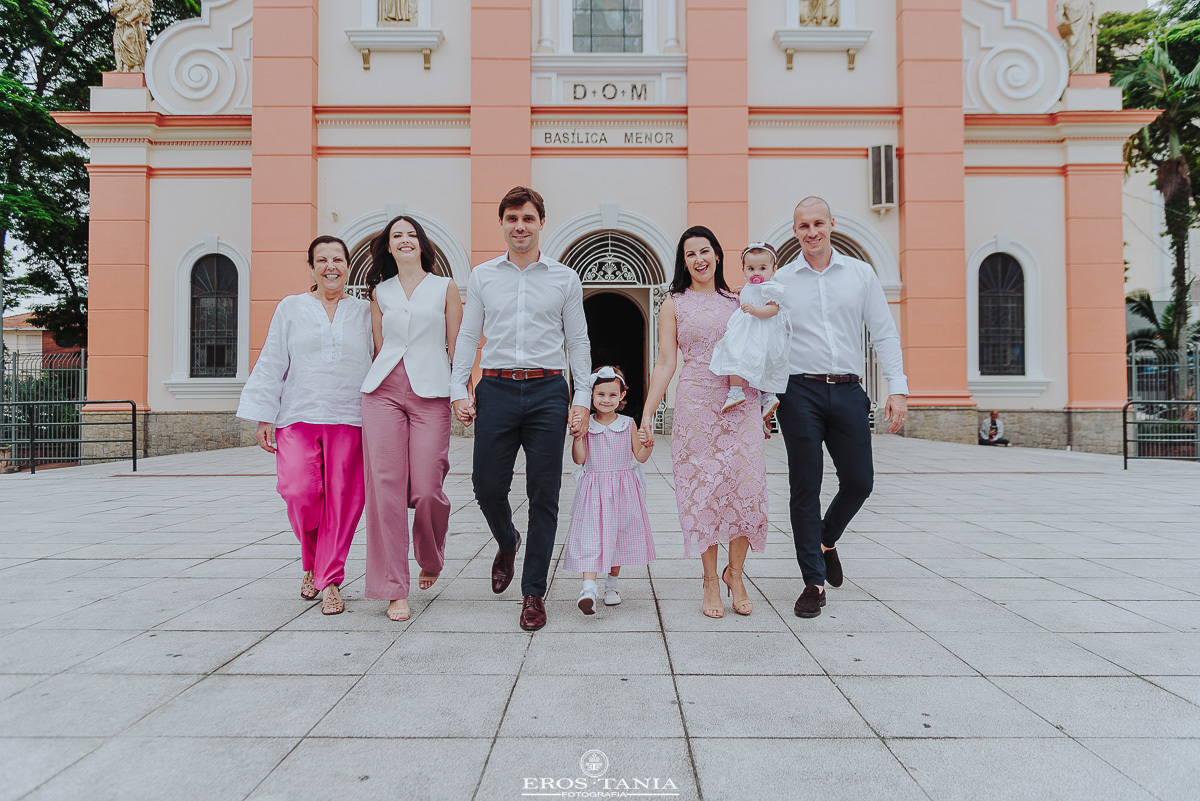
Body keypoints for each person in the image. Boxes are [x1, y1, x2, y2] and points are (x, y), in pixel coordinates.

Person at [450, 186, 591, 632]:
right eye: (512, 219)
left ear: (540, 222)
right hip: (496, 388)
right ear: (502, 224)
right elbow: (469, 337)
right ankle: (507, 539)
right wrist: (459, 387)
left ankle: (533, 593)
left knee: (543, 494)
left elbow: (579, 342)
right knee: (486, 486)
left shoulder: (565, 278)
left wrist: (582, 399)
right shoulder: (483, 276)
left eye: (528, 218)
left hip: (549, 389)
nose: (520, 227)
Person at [775, 197, 908, 619]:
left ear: (831, 224)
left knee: (860, 481)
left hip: (850, 390)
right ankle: (813, 582)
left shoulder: (861, 274)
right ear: (794, 231)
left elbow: (884, 334)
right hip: (799, 393)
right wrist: (764, 398)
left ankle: (826, 540)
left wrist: (898, 388)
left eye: (817, 223)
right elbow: (769, 344)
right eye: (802, 226)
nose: (810, 232)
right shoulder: (781, 280)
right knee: (805, 487)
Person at [235, 236, 373, 615]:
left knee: (344, 503)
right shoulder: (291, 308)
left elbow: (382, 360)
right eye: (322, 260)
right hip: (296, 416)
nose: (331, 266)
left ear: (348, 266)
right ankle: (312, 559)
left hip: (350, 417)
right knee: (299, 492)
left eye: (338, 259)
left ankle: (328, 579)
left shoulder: (364, 312)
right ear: (311, 266)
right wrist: (265, 414)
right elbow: (272, 359)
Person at [639, 226, 768, 619]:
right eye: (691, 254)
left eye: (705, 251)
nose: (699, 259)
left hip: (740, 403)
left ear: (717, 256)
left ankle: (737, 574)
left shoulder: (738, 300)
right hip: (696, 406)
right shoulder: (674, 304)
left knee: (747, 488)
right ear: (684, 261)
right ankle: (711, 580)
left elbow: (763, 345)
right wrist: (646, 413)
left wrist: (768, 399)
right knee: (706, 495)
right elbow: (665, 363)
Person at [360, 215, 464, 622]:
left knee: (427, 489)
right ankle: (392, 589)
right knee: (384, 490)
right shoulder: (379, 293)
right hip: (382, 392)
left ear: (422, 244)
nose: (404, 240)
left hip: (431, 393)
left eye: (411, 234)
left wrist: (463, 394)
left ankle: (431, 555)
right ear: (388, 247)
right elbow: (380, 346)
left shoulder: (445, 288)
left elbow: (458, 346)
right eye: (396, 235)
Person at [564, 366, 656, 614]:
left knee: (617, 536)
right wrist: (577, 436)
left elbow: (640, 456)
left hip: (623, 490)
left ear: (622, 396)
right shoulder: (587, 424)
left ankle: (612, 585)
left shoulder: (627, 424)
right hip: (593, 490)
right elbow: (579, 459)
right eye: (600, 394)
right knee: (590, 536)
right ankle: (588, 588)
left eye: (612, 395)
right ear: (591, 396)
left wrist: (648, 444)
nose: (606, 400)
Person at [709, 241, 791, 431]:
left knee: (760, 362)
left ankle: (768, 397)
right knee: (733, 355)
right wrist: (742, 294)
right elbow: (749, 296)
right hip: (745, 331)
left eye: (763, 268)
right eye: (751, 268)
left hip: (760, 332)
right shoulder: (748, 286)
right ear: (744, 269)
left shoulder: (771, 287)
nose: (756, 273)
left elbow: (773, 308)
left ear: (774, 269)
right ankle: (736, 391)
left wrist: (754, 309)